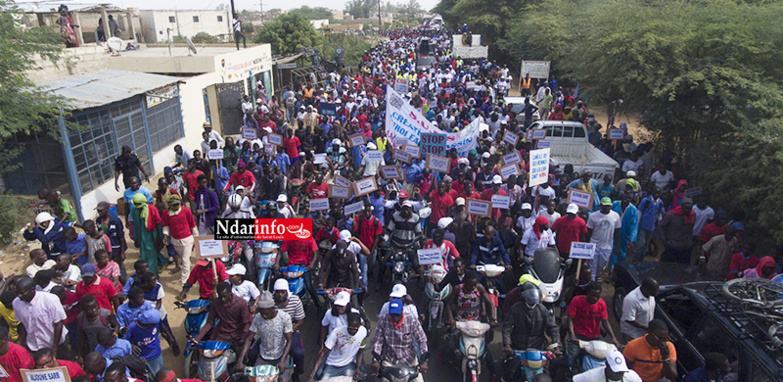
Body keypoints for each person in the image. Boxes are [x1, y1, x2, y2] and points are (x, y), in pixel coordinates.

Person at [503, 285, 560, 381]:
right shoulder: (515, 309)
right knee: (510, 372)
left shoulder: (542, 309)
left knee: (546, 374)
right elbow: (507, 327)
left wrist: (556, 345)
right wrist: (507, 345)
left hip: (538, 347)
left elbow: (553, 328)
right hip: (519, 347)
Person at [236, 292, 293, 382]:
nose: (264, 316)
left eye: (266, 313)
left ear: (272, 308)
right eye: (262, 313)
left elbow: (289, 340)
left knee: (283, 380)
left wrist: (282, 360)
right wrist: (240, 359)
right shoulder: (258, 318)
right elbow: (249, 339)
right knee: (252, 379)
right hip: (263, 357)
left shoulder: (284, 317)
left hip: (280, 357)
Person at [565, 282, 621, 368]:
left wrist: (613, 337)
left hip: (595, 336)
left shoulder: (601, 303)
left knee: (606, 356)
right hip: (578, 336)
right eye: (593, 295)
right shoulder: (577, 300)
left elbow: (605, 322)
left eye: (597, 296)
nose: (595, 298)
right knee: (571, 359)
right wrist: (572, 335)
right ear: (588, 292)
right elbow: (570, 319)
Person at [371, 299, 429, 382]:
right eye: (392, 315)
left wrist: (424, 360)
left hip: (409, 360)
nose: (394, 317)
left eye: (397, 315)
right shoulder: (383, 320)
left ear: (402, 311)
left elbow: (422, 339)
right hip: (390, 361)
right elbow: (377, 342)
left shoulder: (411, 319)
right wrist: (375, 360)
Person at [13, 277, 68, 357]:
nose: (19, 296)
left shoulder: (50, 299)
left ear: (32, 290)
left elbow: (58, 324)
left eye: (22, 293)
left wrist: (54, 349)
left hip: (55, 344)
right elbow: (23, 323)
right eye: (17, 293)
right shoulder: (16, 303)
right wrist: (19, 341)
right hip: (34, 346)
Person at [309, 313, 366, 382]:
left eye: (355, 329)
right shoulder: (337, 332)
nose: (352, 331)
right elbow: (324, 353)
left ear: (359, 325)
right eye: (350, 328)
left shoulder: (363, 332)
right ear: (347, 323)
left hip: (348, 365)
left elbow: (360, 352)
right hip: (332, 365)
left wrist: (358, 368)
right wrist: (311, 376)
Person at [272, 279, 306, 380]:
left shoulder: (295, 300)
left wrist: (293, 327)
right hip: (272, 330)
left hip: (291, 331)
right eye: (278, 292)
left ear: (287, 292)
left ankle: (296, 373)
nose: (280, 295)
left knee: (299, 353)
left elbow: (300, 320)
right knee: (254, 352)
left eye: (283, 292)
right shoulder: (270, 302)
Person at [162, 194, 198, 285]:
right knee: (184, 259)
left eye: (176, 204)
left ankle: (184, 283)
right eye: (173, 204)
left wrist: (196, 238)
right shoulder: (166, 213)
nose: (175, 206)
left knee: (185, 260)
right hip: (175, 241)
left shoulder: (186, 211)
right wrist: (165, 236)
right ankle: (192, 271)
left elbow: (192, 225)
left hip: (187, 239)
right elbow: (165, 226)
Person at [130, 194, 168, 275]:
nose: (137, 206)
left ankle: (152, 274)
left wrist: (161, 237)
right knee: (144, 255)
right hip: (141, 236)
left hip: (151, 235)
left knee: (151, 256)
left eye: (139, 204)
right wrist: (136, 239)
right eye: (135, 204)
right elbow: (135, 226)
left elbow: (158, 223)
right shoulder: (134, 210)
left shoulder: (151, 209)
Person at [586, 197, 622, 281]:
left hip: (607, 246)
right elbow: (589, 232)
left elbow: (617, 232)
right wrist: (587, 246)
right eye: (604, 206)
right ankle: (592, 281)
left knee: (602, 264)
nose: (606, 208)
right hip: (594, 245)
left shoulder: (615, 216)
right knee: (592, 265)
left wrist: (616, 247)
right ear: (600, 206)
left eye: (608, 206)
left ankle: (598, 275)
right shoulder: (593, 216)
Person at [125, 309, 164, 375]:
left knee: (159, 374)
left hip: (155, 354)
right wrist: (130, 345)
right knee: (144, 376)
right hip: (139, 357)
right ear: (149, 324)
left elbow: (162, 328)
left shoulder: (156, 320)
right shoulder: (132, 327)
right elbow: (124, 341)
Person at [572, 348, 642, 382]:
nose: (620, 375)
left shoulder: (633, 377)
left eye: (622, 371)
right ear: (607, 365)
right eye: (616, 371)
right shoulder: (592, 376)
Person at [635, 187, 664, 261]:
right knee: (641, 243)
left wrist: (659, 224)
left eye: (658, 193)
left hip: (652, 227)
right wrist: (637, 223)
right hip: (643, 225)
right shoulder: (646, 201)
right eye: (655, 193)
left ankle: (641, 259)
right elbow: (639, 212)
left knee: (646, 244)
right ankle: (636, 259)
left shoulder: (660, 203)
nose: (656, 195)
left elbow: (659, 214)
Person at [611, 192, 638, 265]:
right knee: (612, 250)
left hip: (624, 234)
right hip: (612, 232)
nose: (627, 199)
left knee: (622, 252)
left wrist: (632, 239)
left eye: (629, 198)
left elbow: (634, 225)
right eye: (625, 197)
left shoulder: (633, 210)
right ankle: (611, 268)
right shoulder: (615, 204)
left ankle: (620, 267)